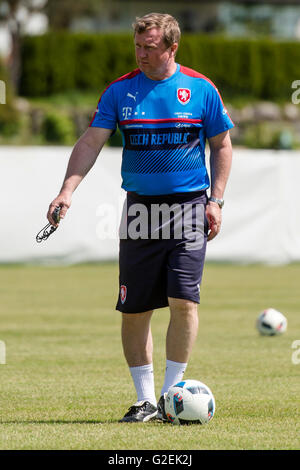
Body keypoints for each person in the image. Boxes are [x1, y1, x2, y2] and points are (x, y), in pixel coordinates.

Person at [47, 12, 234, 423]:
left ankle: (172, 396)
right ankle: (145, 399)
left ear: (172, 48)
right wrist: (67, 190)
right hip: (140, 211)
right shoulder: (119, 91)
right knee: (134, 309)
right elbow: (91, 141)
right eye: (138, 46)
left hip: (188, 207)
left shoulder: (201, 89)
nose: (142, 54)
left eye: (150, 47)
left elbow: (222, 145)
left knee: (184, 301)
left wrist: (216, 200)